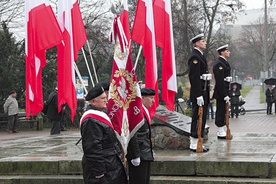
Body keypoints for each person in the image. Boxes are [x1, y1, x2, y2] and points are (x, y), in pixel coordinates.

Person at [80, 84, 127, 184]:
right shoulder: (91, 120)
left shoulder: (100, 114)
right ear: (93, 102)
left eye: (106, 97)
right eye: (103, 98)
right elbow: (93, 148)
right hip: (104, 170)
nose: (106, 100)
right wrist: (99, 173)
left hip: (110, 165)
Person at [187, 33, 211, 152]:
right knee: (197, 117)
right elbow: (194, 77)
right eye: (202, 41)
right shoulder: (195, 57)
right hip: (199, 93)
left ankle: (199, 141)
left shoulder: (200, 56)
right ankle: (194, 142)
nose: (205, 43)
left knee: (202, 116)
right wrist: (198, 95)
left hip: (203, 90)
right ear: (196, 43)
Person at [127, 88, 155, 184]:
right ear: (142, 98)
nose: (153, 100)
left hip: (145, 153)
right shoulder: (136, 112)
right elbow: (133, 134)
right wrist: (135, 155)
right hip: (140, 154)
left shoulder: (144, 110)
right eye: (151, 98)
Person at [213, 44, 232, 139]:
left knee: (224, 110)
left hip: (225, 90)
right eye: (227, 51)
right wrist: (224, 94)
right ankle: (220, 130)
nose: (229, 52)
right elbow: (220, 81)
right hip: (221, 91)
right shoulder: (219, 64)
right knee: (220, 110)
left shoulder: (224, 62)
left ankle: (222, 128)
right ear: (222, 52)